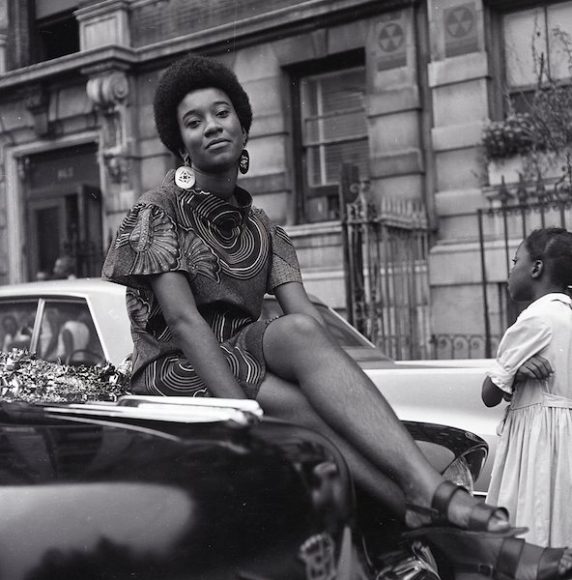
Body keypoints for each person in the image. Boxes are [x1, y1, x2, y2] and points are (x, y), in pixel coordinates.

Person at [103, 54, 572, 578]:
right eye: (194, 122)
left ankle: (426, 494)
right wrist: (244, 420)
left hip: (246, 355)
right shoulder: (155, 210)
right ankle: (442, 513)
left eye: (222, 113)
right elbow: (186, 323)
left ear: (241, 123)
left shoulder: (264, 228)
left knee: (302, 339)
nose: (212, 127)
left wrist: (355, 402)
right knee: (305, 415)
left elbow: (307, 326)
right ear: (180, 142)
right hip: (176, 366)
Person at [482, 227, 572, 548]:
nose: (510, 270)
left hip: (538, 446)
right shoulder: (567, 315)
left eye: (514, 260)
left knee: (532, 526)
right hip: (565, 445)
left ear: (536, 268)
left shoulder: (534, 319)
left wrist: (515, 373)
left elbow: (489, 393)